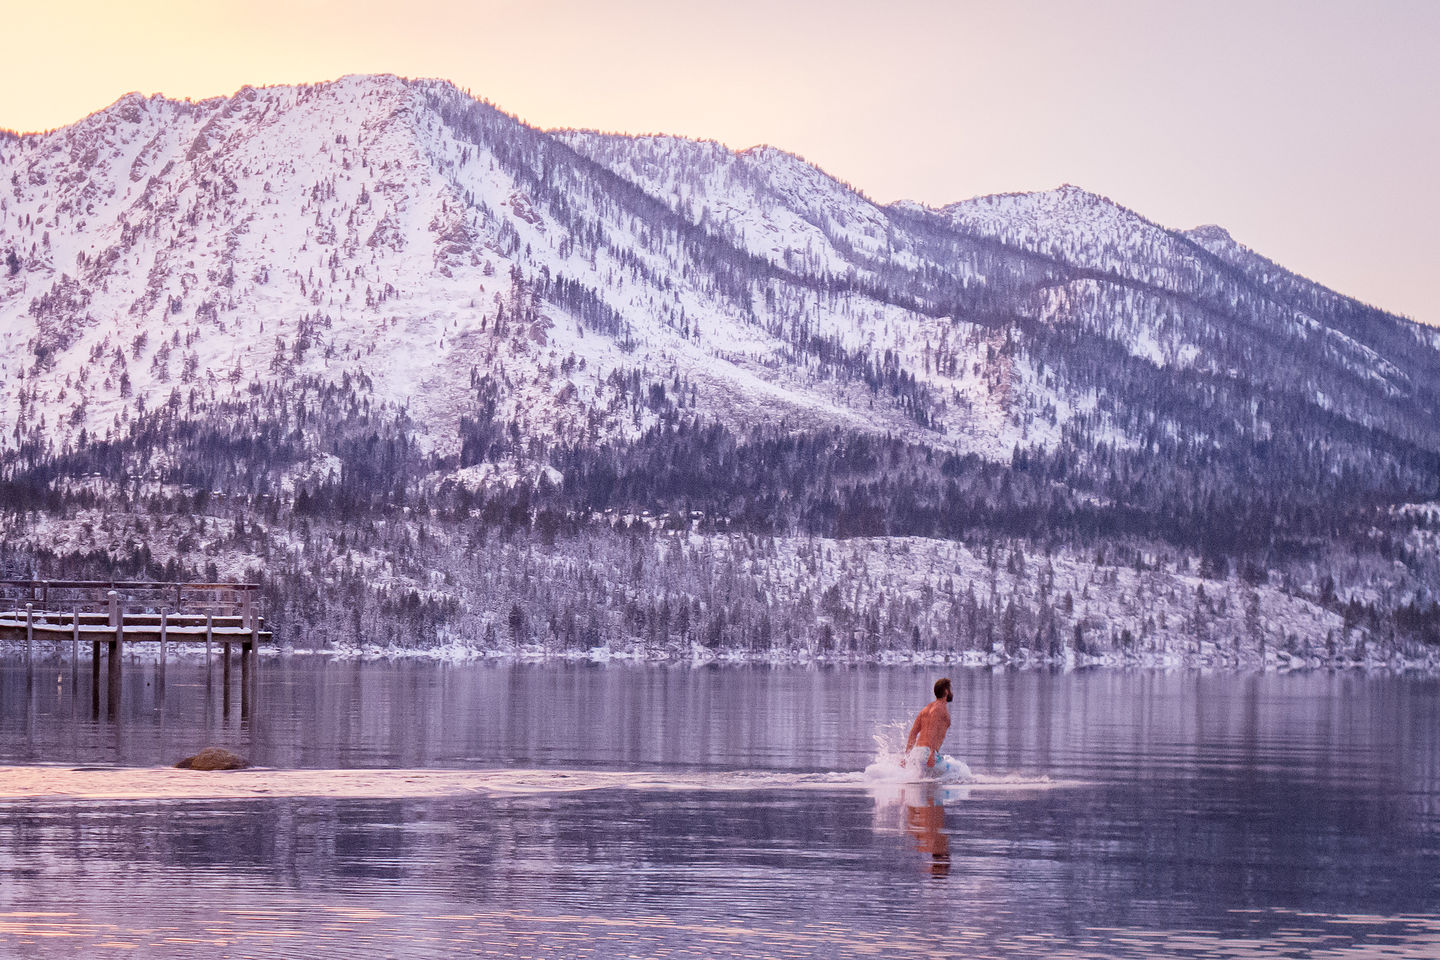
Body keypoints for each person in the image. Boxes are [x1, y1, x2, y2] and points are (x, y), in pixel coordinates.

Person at [902, 677, 953, 772]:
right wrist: (932, 753)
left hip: (916, 753)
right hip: (927, 754)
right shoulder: (940, 708)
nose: (951, 692)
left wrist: (906, 756)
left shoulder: (925, 709)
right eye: (950, 689)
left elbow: (913, 733)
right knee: (957, 771)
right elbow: (933, 728)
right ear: (946, 691)